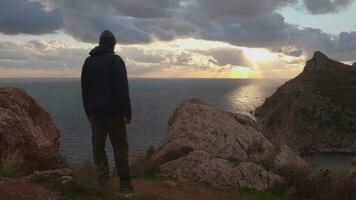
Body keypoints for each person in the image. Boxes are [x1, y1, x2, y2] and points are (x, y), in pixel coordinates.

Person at [81, 30, 133, 191]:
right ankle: (124, 184)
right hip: (114, 113)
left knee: (98, 148)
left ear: (100, 42)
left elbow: (85, 90)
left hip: (95, 113)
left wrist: (88, 112)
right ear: (113, 44)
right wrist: (127, 112)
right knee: (120, 147)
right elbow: (122, 89)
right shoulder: (115, 60)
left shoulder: (88, 62)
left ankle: (103, 182)